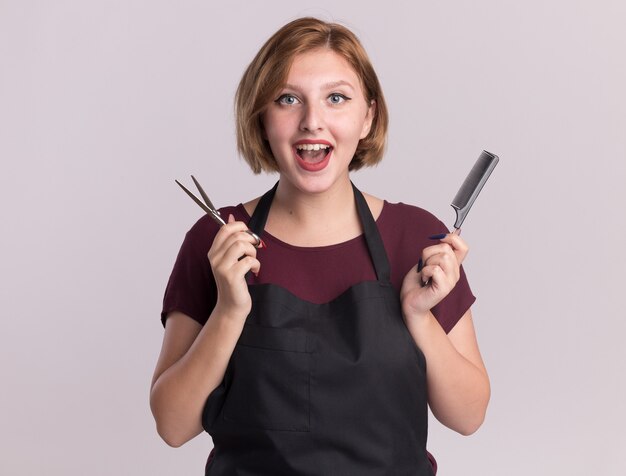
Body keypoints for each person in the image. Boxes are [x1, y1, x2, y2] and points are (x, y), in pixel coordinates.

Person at [150, 17, 490, 475]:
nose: (313, 121)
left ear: (368, 116)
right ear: (262, 118)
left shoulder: (416, 237)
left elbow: (468, 418)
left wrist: (418, 315)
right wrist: (229, 309)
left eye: (337, 98)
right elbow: (173, 426)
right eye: (288, 99)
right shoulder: (217, 241)